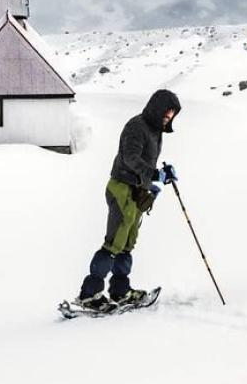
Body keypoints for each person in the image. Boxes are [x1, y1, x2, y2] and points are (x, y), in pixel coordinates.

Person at [76, 89, 182, 311]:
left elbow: (144, 161)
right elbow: (130, 158)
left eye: (172, 114)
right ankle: (89, 295)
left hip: (136, 192)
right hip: (121, 188)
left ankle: (120, 291)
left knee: (127, 245)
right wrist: (153, 175)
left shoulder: (155, 131)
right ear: (157, 107)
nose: (169, 117)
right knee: (114, 243)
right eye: (167, 111)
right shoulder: (137, 126)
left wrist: (157, 177)